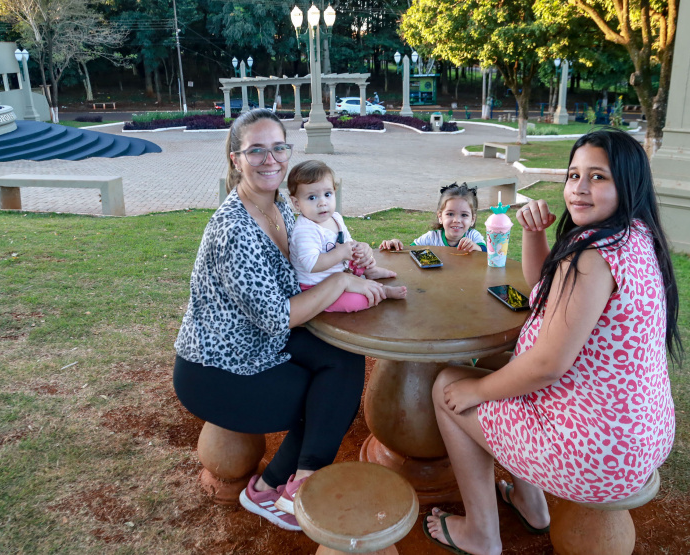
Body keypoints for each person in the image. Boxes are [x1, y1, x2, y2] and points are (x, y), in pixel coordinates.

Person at [423, 128, 681, 555]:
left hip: (594, 453)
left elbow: (546, 366)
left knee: (448, 388)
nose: (579, 188)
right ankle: (530, 501)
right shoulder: (635, 236)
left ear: (628, 183)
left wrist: (473, 391)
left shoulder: (591, 256)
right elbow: (548, 293)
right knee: (498, 374)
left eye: (598, 177)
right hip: (638, 438)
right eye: (574, 174)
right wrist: (534, 233)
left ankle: (482, 534)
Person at [173, 109, 387, 532]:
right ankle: (295, 489)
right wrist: (343, 279)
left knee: (343, 362)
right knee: (324, 397)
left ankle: (275, 485)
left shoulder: (283, 210)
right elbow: (277, 316)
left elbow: (311, 267)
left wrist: (357, 258)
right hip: (220, 367)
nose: (270, 159)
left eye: (278, 148)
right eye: (256, 150)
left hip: (260, 343)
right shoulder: (233, 228)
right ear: (236, 159)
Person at [288, 160, 406, 313]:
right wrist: (340, 253)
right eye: (312, 197)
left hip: (342, 273)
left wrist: (359, 247)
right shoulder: (305, 230)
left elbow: (348, 244)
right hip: (317, 287)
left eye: (327, 194)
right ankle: (382, 292)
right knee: (358, 301)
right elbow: (311, 264)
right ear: (296, 203)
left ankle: (368, 272)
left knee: (361, 257)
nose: (322, 202)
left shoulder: (336, 218)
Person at [380, 183, 487, 253]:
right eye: (450, 214)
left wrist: (475, 247)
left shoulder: (473, 236)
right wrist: (395, 244)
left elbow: (487, 254)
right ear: (440, 217)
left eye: (464, 215)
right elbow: (410, 251)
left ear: (472, 219)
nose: (457, 220)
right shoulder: (431, 238)